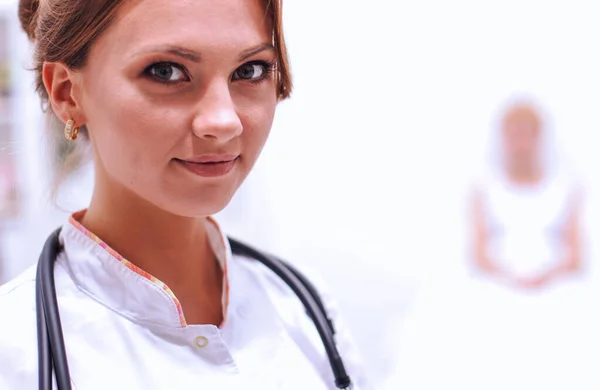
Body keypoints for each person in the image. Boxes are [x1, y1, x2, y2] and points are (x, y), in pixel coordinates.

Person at [0, 0, 366, 389]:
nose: (223, 122)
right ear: (68, 94)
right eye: (166, 72)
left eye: (250, 70)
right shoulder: (14, 351)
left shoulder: (304, 308)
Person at [470, 101, 583, 290]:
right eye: (514, 134)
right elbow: (479, 255)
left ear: (539, 137)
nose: (520, 144)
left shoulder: (566, 188)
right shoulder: (484, 188)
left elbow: (575, 256)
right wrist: (510, 279)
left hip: (556, 286)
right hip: (495, 284)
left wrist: (544, 279)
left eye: (526, 134)